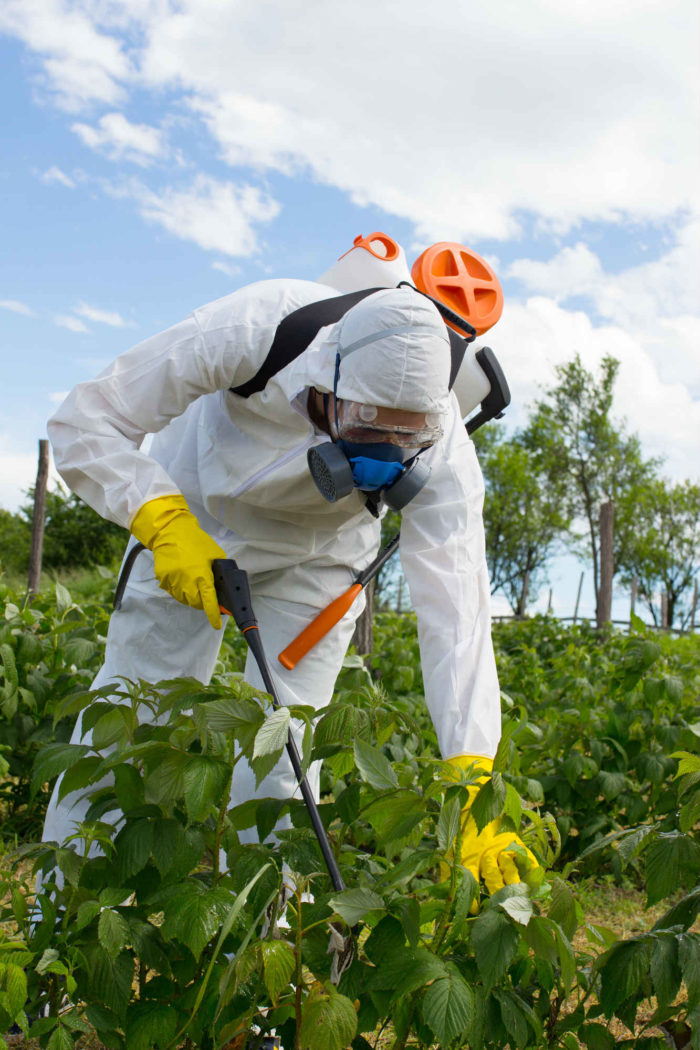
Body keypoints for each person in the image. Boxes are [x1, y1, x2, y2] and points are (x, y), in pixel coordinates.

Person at [43, 268, 537, 902]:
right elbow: (86, 420)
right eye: (366, 427)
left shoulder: (443, 452)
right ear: (328, 380)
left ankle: (261, 942)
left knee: (285, 749)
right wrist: (160, 519)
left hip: (323, 561)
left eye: (405, 436)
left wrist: (471, 773)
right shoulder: (258, 328)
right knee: (128, 721)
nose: (385, 454)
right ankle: (59, 916)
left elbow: (458, 615)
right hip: (194, 521)